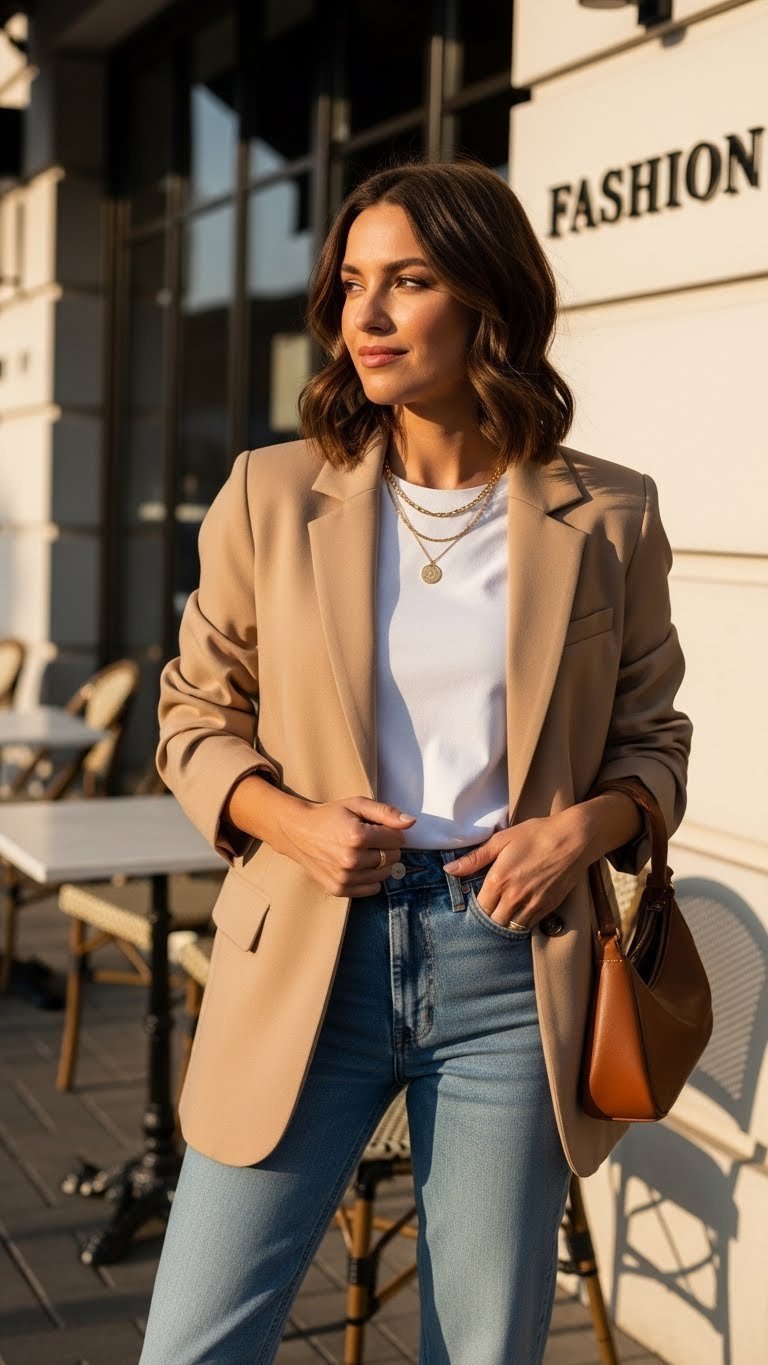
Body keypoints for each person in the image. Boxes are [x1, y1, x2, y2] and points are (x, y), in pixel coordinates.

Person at [140, 158, 692, 1364]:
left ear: (488, 300)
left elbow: (656, 738)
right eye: (351, 284)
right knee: (194, 1341)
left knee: (482, 1350)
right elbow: (189, 712)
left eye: (410, 280)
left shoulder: (609, 515)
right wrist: (289, 820)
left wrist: (582, 832)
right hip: (309, 951)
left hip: (511, 964)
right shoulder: (270, 498)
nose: (368, 315)